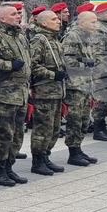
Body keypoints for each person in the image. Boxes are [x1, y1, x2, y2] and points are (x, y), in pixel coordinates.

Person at [0, 3, 31, 187]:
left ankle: (9, 167)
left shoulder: (20, 36)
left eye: (18, 14)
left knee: (18, 133)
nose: (18, 16)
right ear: (2, 18)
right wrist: (9, 65)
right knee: (4, 134)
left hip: (21, 93)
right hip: (3, 93)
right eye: (13, 14)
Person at [29, 11, 67, 175]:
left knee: (54, 127)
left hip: (56, 90)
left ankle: (45, 156)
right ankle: (37, 161)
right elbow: (33, 65)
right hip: (45, 90)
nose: (58, 21)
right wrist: (52, 75)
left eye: (58, 19)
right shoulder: (39, 40)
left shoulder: (54, 39)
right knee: (43, 127)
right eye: (54, 19)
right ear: (43, 23)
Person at [62, 11, 99, 166]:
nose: (95, 25)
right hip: (75, 85)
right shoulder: (72, 36)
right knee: (75, 120)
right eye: (92, 22)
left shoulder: (88, 37)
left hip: (85, 84)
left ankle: (78, 148)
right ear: (82, 22)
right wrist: (86, 64)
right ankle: (73, 152)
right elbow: (67, 60)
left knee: (84, 120)